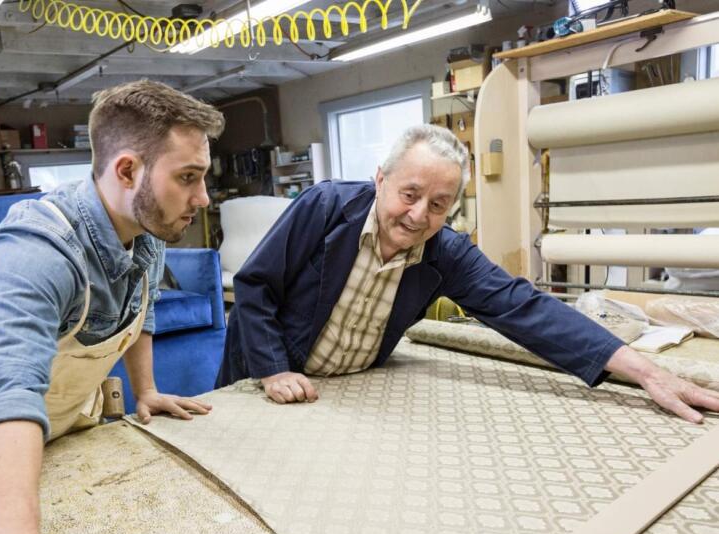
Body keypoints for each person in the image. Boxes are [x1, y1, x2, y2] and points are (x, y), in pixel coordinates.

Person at [0, 80, 223, 534]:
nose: (204, 199)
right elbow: (8, 389)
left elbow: (138, 310)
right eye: (189, 177)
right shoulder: (36, 245)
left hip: (68, 431)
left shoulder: (147, 230)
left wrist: (146, 389)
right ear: (127, 171)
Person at [219, 124, 719, 423]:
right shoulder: (324, 207)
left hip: (341, 395)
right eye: (409, 195)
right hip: (268, 379)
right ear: (380, 180)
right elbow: (255, 286)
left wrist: (649, 373)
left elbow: (525, 308)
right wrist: (274, 370)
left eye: (438, 205)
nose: (418, 216)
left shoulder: (444, 252)